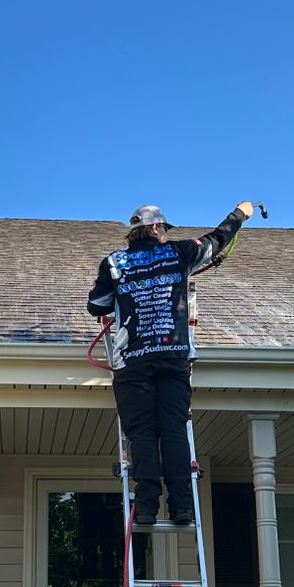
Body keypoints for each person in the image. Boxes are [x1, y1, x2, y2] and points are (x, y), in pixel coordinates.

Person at [87, 202, 253, 524]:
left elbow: (96, 306)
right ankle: (181, 507)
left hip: (132, 362)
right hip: (173, 357)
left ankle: (147, 507)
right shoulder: (179, 253)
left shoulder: (114, 262)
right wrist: (240, 214)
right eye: (163, 229)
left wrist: (125, 292)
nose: (165, 234)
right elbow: (216, 240)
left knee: (143, 434)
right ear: (153, 228)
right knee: (174, 431)